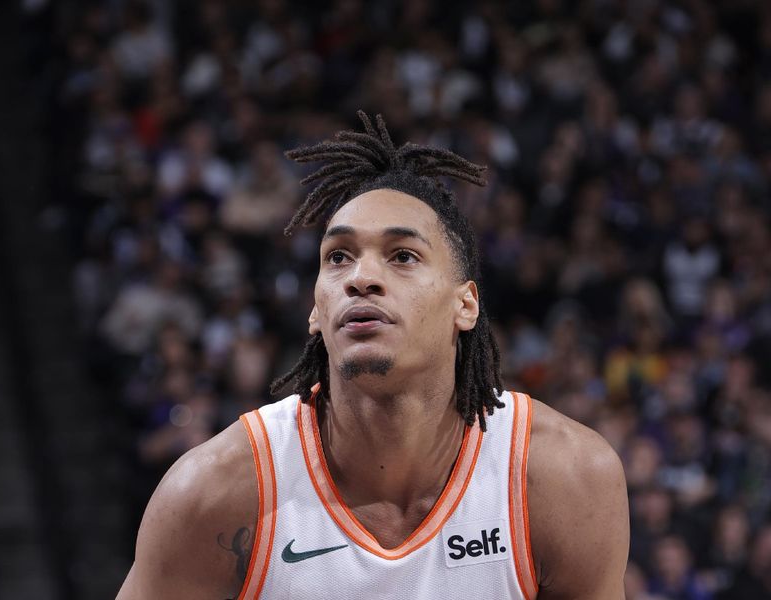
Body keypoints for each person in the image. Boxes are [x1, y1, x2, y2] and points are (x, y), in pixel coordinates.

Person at [116, 112, 629, 599]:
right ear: (316, 312)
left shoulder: (564, 478)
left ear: (465, 303)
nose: (361, 278)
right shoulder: (213, 493)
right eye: (338, 257)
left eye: (402, 256)